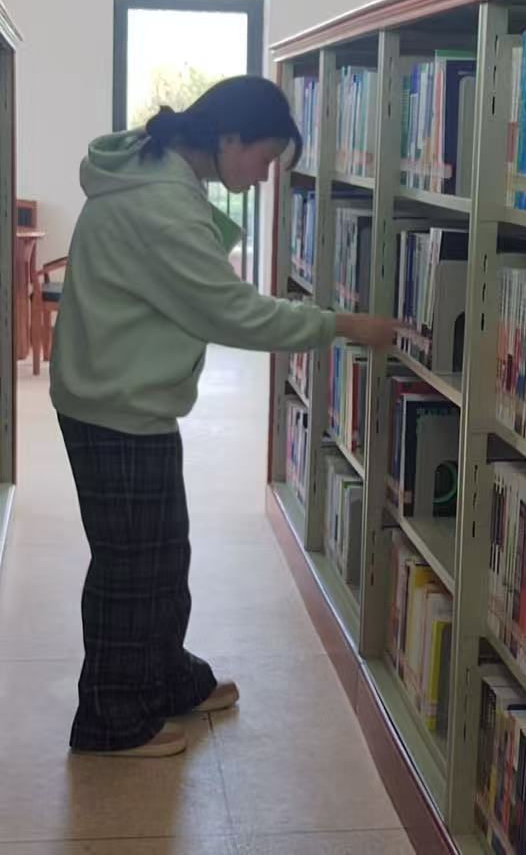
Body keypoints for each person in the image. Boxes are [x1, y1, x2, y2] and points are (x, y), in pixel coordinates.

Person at [49, 77, 398, 760]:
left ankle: (162, 677)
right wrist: (342, 325)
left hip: (126, 394)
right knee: (131, 566)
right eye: (263, 159)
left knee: (163, 551)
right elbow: (231, 311)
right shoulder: (160, 205)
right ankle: (111, 719)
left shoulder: (156, 173)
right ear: (228, 138)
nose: (264, 177)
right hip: (115, 403)